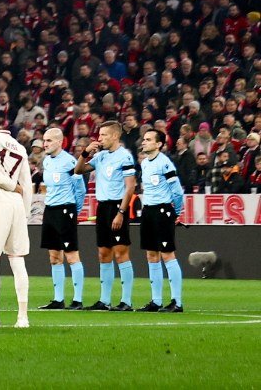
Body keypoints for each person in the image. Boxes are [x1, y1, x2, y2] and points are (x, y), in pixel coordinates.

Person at [0, 110, 34, 327]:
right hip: (17, 206)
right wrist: (26, 212)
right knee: (18, 261)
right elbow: (27, 184)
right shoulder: (19, 147)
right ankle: (23, 317)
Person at [79, 121, 138, 311]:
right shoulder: (101, 156)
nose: (100, 138)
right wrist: (85, 152)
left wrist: (121, 212)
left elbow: (130, 187)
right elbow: (78, 170)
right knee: (103, 254)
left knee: (121, 253)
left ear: (115, 136)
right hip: (102, 207)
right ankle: (104, 301)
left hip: (117, 207)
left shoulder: (125, 157)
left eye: (104, 135)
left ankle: (126, 301)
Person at [126, 128, 185, 312]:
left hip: (163, 210)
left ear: (159, 144)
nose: (144, 142)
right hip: (149, 211)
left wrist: (176, 211)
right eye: (144, 139)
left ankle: (177, 301)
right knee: (151, 255)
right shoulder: (145, 164)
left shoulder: (165, 164)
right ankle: (156, 300)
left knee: (167, 254)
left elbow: (176, 190)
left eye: (148, 139)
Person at [35, 126, 87, 309]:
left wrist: (75, 210)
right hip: (50, 210)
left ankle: (78, 300)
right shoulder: (47, 161)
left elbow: (80, 189)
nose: (45, 143)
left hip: (66, 210)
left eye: (49, 140)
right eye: (44, 140)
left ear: (59, 141)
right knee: (54, 256)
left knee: (72, 255)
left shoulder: (70, 162)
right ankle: (58, 300)